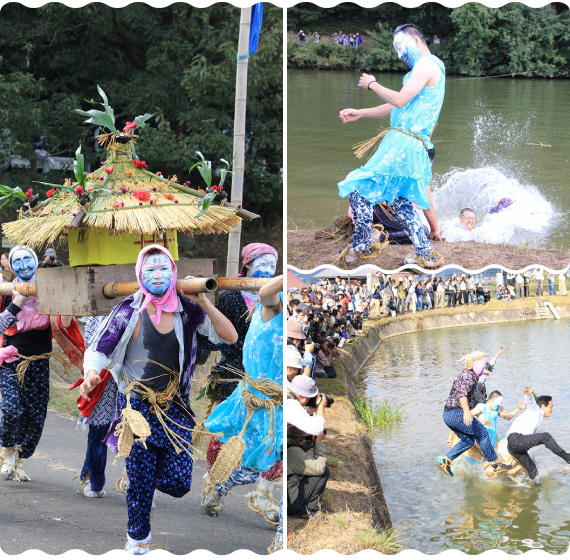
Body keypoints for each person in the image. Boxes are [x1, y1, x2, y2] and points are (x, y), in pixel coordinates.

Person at [79, 244, 238, 554]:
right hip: (138, 407)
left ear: (174, 273)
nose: (157, 274)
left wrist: (203, 299)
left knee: (179, 483)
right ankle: (138, 541)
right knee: (140, 484)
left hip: (176, 406)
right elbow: (100, 347)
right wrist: (91, 374)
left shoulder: (187, 310)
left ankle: (140, 477)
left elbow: (229, 337)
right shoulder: (129, 310)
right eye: (149, 269)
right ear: (140, 273)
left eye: (163, 268)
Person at [337, 23, 445, 268]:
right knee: (400, 200)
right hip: (409, 142)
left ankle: (363, 246)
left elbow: (397, 99)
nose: (400, 55)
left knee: (357, 188)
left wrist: (371, 84)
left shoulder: (426, 65)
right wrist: (360, 112)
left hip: (404, 143)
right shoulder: (425, 69)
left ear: (416, 40)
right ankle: (425, 253)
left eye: (401, 47)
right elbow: (397, 106)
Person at [198, 243, 281, 524]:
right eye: (263, 264)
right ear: (247, 265)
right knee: (225, 435)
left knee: (272, 441)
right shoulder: (232, 297)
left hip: (269, 379)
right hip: (233, 370)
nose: (268, 270)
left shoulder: (278, 298)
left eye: (273, 266)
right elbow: (218, 333)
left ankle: (262, 491)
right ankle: (215, 482)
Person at [0, 246, 76, 482]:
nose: (23, 265)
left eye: (27, 260)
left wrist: (68, 303)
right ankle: (7, 451)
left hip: (40, 362)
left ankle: (20, 459)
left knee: (35, 417)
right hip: (11, 359)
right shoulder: (6, 292)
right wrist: (17, 302)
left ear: (35, 262)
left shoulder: (49, 288)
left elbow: (63, 323)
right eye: (18, 261)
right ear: (12, 266)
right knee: (12, 409)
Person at [436, 351, 512, 477]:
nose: (484, 367)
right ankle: (495, 464)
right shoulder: (469, 376)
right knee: (481, 432)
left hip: (449, 415)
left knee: (468, 441)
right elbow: (462, 394)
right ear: (477, 364)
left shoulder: (469, 375)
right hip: (456, 412)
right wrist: (466, 412)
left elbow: (482, 374)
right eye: (482, 364)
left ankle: (446, 460)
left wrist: (485, 371)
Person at [506, 386, 570, 485]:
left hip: (515, 447)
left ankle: (535, 490)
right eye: (551, 407)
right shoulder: (535, 410)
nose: (551, 410)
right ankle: (567, 457)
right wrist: (528, 394)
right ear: (543, 406)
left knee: (534, 473)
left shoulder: (538, 417)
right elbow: (531, 402)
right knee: (546, 436)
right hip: (515, 440)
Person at [287, 425, 329, 519]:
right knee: (324, 471)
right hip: (291, 504)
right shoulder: (294, 453)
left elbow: (296, 449)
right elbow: (319, 468)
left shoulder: (285, 443)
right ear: (302, 437)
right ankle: (309, 510)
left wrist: (308, 443)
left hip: (287, 499)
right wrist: (318, 443)